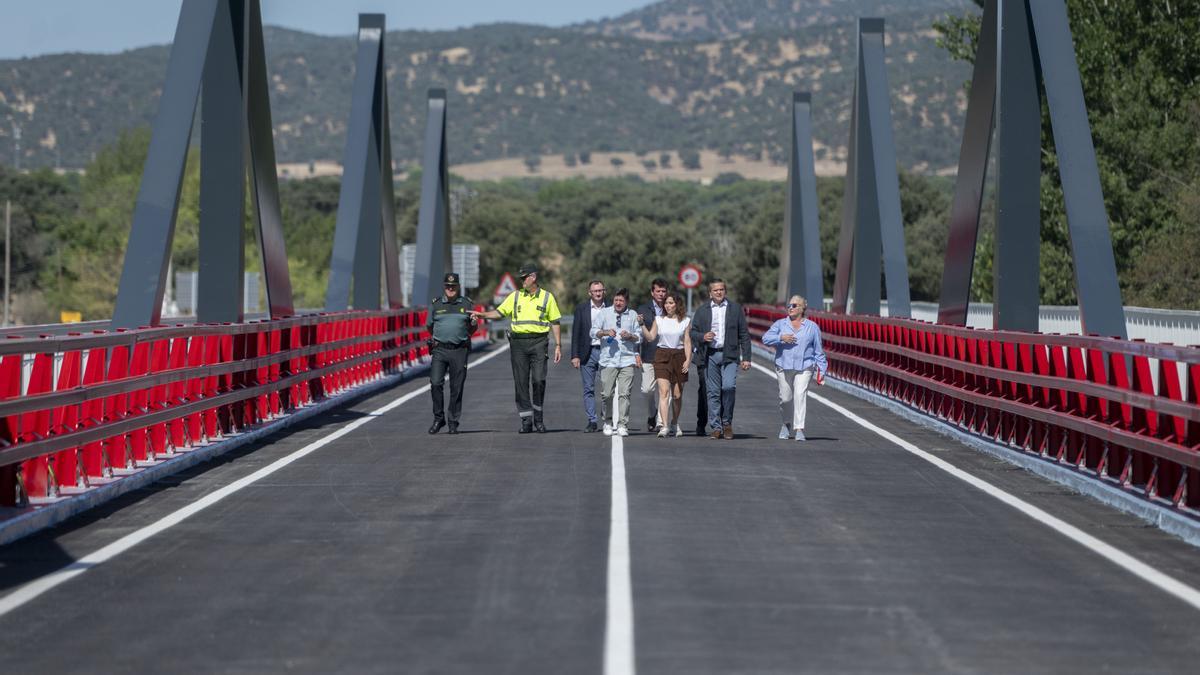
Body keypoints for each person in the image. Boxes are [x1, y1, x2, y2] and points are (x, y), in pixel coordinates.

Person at [472, 263, 562, 433]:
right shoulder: (515, 296)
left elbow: (555, 321)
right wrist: (482, 315)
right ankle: (526, 421)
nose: (521, 281)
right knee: (521, 382)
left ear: (533, 277)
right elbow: (499, 313)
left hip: (539, 342)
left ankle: (539, 419)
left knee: (538, 380)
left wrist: (558, 345)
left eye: (524, 278)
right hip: (518, 344)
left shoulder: (547, 297)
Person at [688, 279, 751, 439]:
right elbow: (693, 333)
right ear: (710, 293)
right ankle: (716, 427)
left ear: (725, 291)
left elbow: (744, 334)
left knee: (728, 387)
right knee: (713, 392)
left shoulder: (735, 309)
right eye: (715, 290)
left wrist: (747, 357)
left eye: (721, 289)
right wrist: (703, 336)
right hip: (710, 355)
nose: (719, 292)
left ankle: (727, 423)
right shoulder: (702, 311)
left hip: (729, 354)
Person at [762, 295, 828, 441]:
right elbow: (765, 338)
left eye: (794, 305)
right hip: (783, 366)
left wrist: (822, 371)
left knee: (800, 395)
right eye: (789, 305)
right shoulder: (780, 324)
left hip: (805, 366)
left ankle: (799, 429)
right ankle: (786, 424)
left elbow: (818, 351)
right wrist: (780, 338)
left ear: (803, 308)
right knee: (785, 399)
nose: (790, 308)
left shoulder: (812, 327)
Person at [425, 272, 477, 435]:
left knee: (457, 387)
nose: (450, 289)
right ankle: (438, 418)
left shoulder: (467, 304)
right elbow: (429, 326)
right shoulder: (436, 304)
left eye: (453, 286)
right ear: (444, 287)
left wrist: (474, 323)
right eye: (448, 286)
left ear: (458, 287)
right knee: (435, 383)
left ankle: (453, 421)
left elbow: (472, 328)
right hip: (440, 350)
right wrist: (440, 337)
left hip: (460, 350)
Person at [637, 292, 692, 437]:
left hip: (679, 356)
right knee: (663, 392)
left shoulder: (685, 321)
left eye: (671, 303)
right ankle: (664, 426)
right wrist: (642, 325)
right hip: (662, 356)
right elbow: (650, 337)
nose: (668, 306)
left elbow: (687, 341)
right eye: (666, 303)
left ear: (677, 304)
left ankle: (674, 422)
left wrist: (688, 360)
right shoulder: (659, 320)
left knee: (677, 395)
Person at [590, 288, 642, 436]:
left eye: (621, 301)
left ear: (626, 302)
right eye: (616, 300)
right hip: (608, 360)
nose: (618, 303)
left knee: (625, 393)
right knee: (606, 394)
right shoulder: (605, 313)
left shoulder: (632, 315)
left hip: (627, 359)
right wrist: (605, 332)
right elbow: (593, 332)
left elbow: (639, 337)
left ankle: (622, 424)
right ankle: (607, 421)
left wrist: (630, 336)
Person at [571, 280, 608, 432]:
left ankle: (607, 417)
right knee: (588, 388)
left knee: (608, 388)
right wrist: (575, 355)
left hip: (607, 352)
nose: (598, 293)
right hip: (588, 352)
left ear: (604, 291)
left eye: (600, 290)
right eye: (595, 291)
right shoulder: (581, 309)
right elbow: (576, 333)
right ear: (590, 293)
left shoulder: (612, 307)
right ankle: (592, 421)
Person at [635, 278, 668, 431]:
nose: (661, 294)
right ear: (652, 292)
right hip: (648, 355)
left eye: (663, 291)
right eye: (658, 291)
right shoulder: (643, 309)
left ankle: (662, 422)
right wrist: (636, 352)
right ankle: (651, 413)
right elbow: (638, 333)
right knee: (647, 389)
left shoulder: (671, 307)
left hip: (667, 356)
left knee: (665, 390)